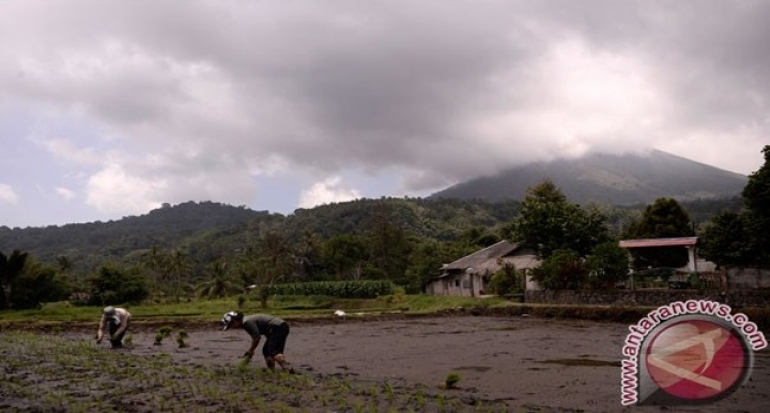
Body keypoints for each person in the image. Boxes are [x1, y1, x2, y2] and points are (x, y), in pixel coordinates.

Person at [222, 311, 293, 372]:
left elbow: (257, 338)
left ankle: (287, 368)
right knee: (266, 351)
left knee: (272, 350)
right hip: (279, 328)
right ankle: (272, 371)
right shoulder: (246, 322)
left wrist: (250, 350)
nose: (232, 328)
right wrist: (251, 350)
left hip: (278, 328)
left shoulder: (247, 322)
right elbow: (260, 335)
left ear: (234, 321)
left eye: (231, 325)